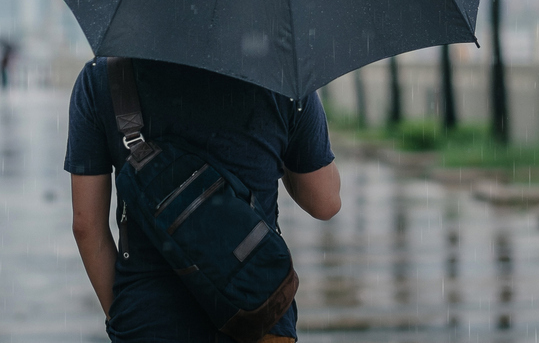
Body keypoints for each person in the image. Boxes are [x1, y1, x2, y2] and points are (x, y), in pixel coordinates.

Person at [67, 57, 341, 343]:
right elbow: (325, 201)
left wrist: (124, 316)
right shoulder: (283, 75)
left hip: (148, 318)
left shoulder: (105, 76)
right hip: (257, 312)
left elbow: (86, 226)